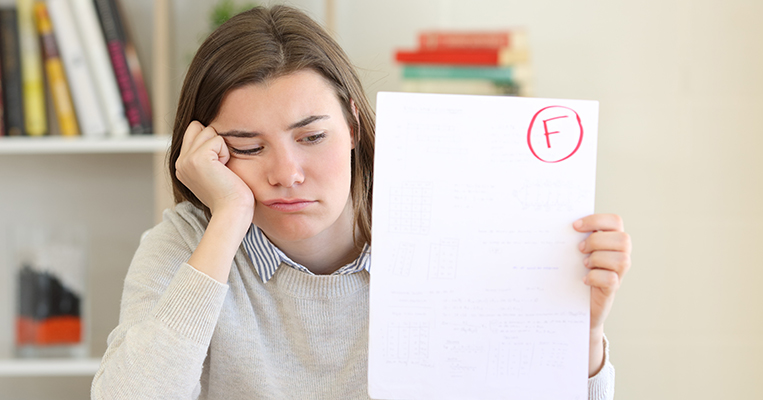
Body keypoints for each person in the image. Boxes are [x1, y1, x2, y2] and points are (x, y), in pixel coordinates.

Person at [92, 5, 631, 399]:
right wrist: (229, 220)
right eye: (248, 148)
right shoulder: (190, 243)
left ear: (352, 123)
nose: (287, 174)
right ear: (209, 154)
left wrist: (581, 337)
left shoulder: (446, 228)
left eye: (311, 137)